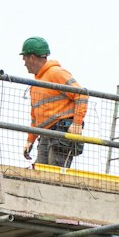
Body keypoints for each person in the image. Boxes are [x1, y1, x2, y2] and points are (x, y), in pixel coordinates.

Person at [20, 35, 86, 168]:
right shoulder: (36, 83)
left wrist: (77, 123)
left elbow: (81, 94)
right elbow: (35, 118)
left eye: (25, 59)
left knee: (55, 172)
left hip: (61, 131)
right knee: (41, 172)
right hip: (45, 134)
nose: (24, 63)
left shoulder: (56, 73)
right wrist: (30, 140)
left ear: (32, 57)